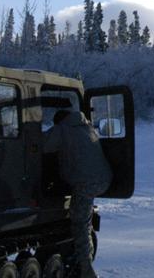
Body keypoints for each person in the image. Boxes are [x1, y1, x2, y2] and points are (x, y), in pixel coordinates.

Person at [44, 109, 113, 278]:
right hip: (103, 179)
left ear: (58, 121)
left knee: (80, 223)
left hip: (85, 183)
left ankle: (86, 270)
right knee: (84, 218)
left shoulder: (62, 129)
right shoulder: (87, 127)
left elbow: (41, 145)